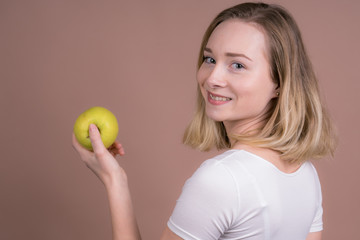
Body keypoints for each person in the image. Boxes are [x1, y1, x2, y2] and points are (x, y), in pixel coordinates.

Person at [72, 2, 337, 240]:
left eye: (238, 65)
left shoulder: (221, 179)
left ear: (280, 82)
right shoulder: (306, 173)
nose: (212, 78)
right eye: (210, 59)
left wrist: (113, 180)